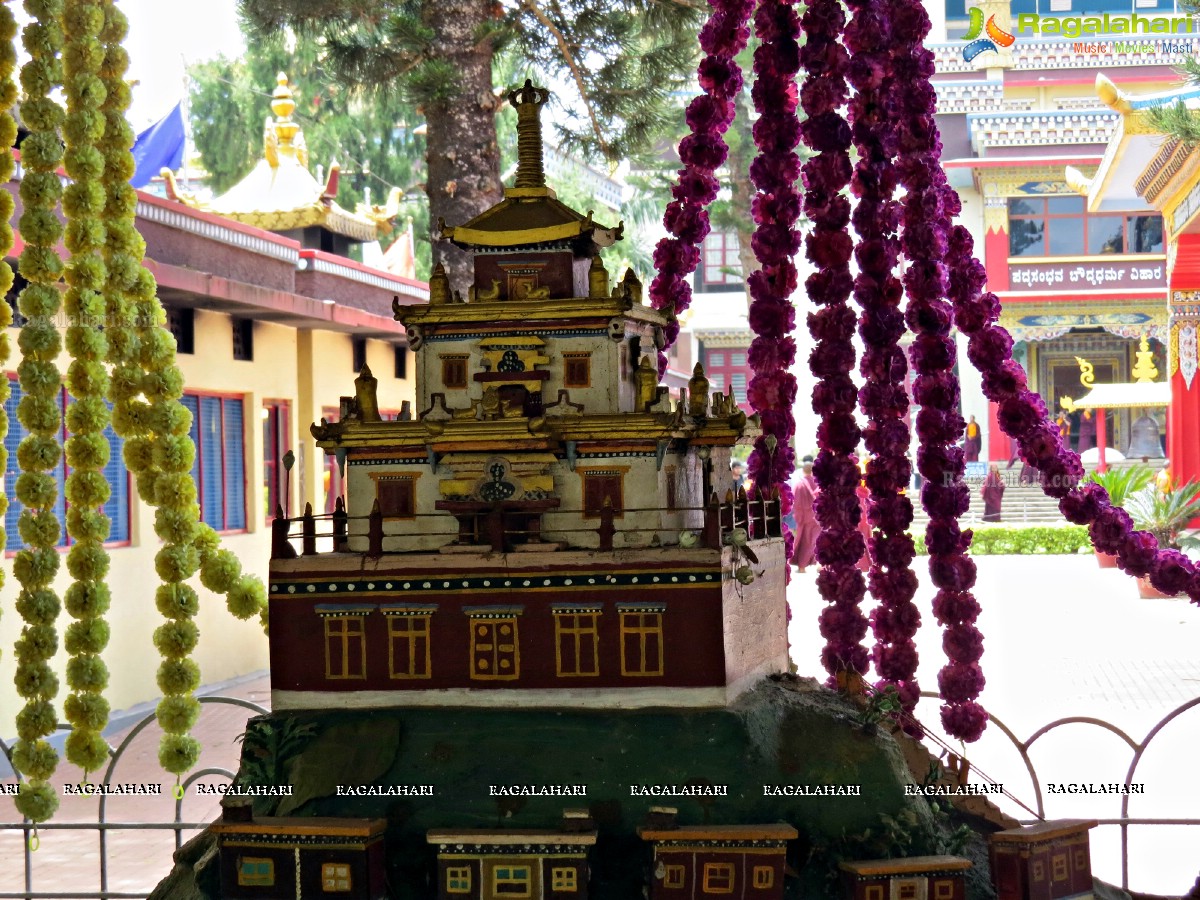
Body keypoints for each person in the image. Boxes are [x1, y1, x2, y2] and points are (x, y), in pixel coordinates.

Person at [791, 455, 820, 572]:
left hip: (804, 517)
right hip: (817, 517)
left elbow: (795, 503)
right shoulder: (818, 484)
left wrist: (797, 518)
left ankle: (802, 566)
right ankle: (817, 563)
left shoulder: (799, 484)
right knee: (814, 541)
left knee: (804, 541)